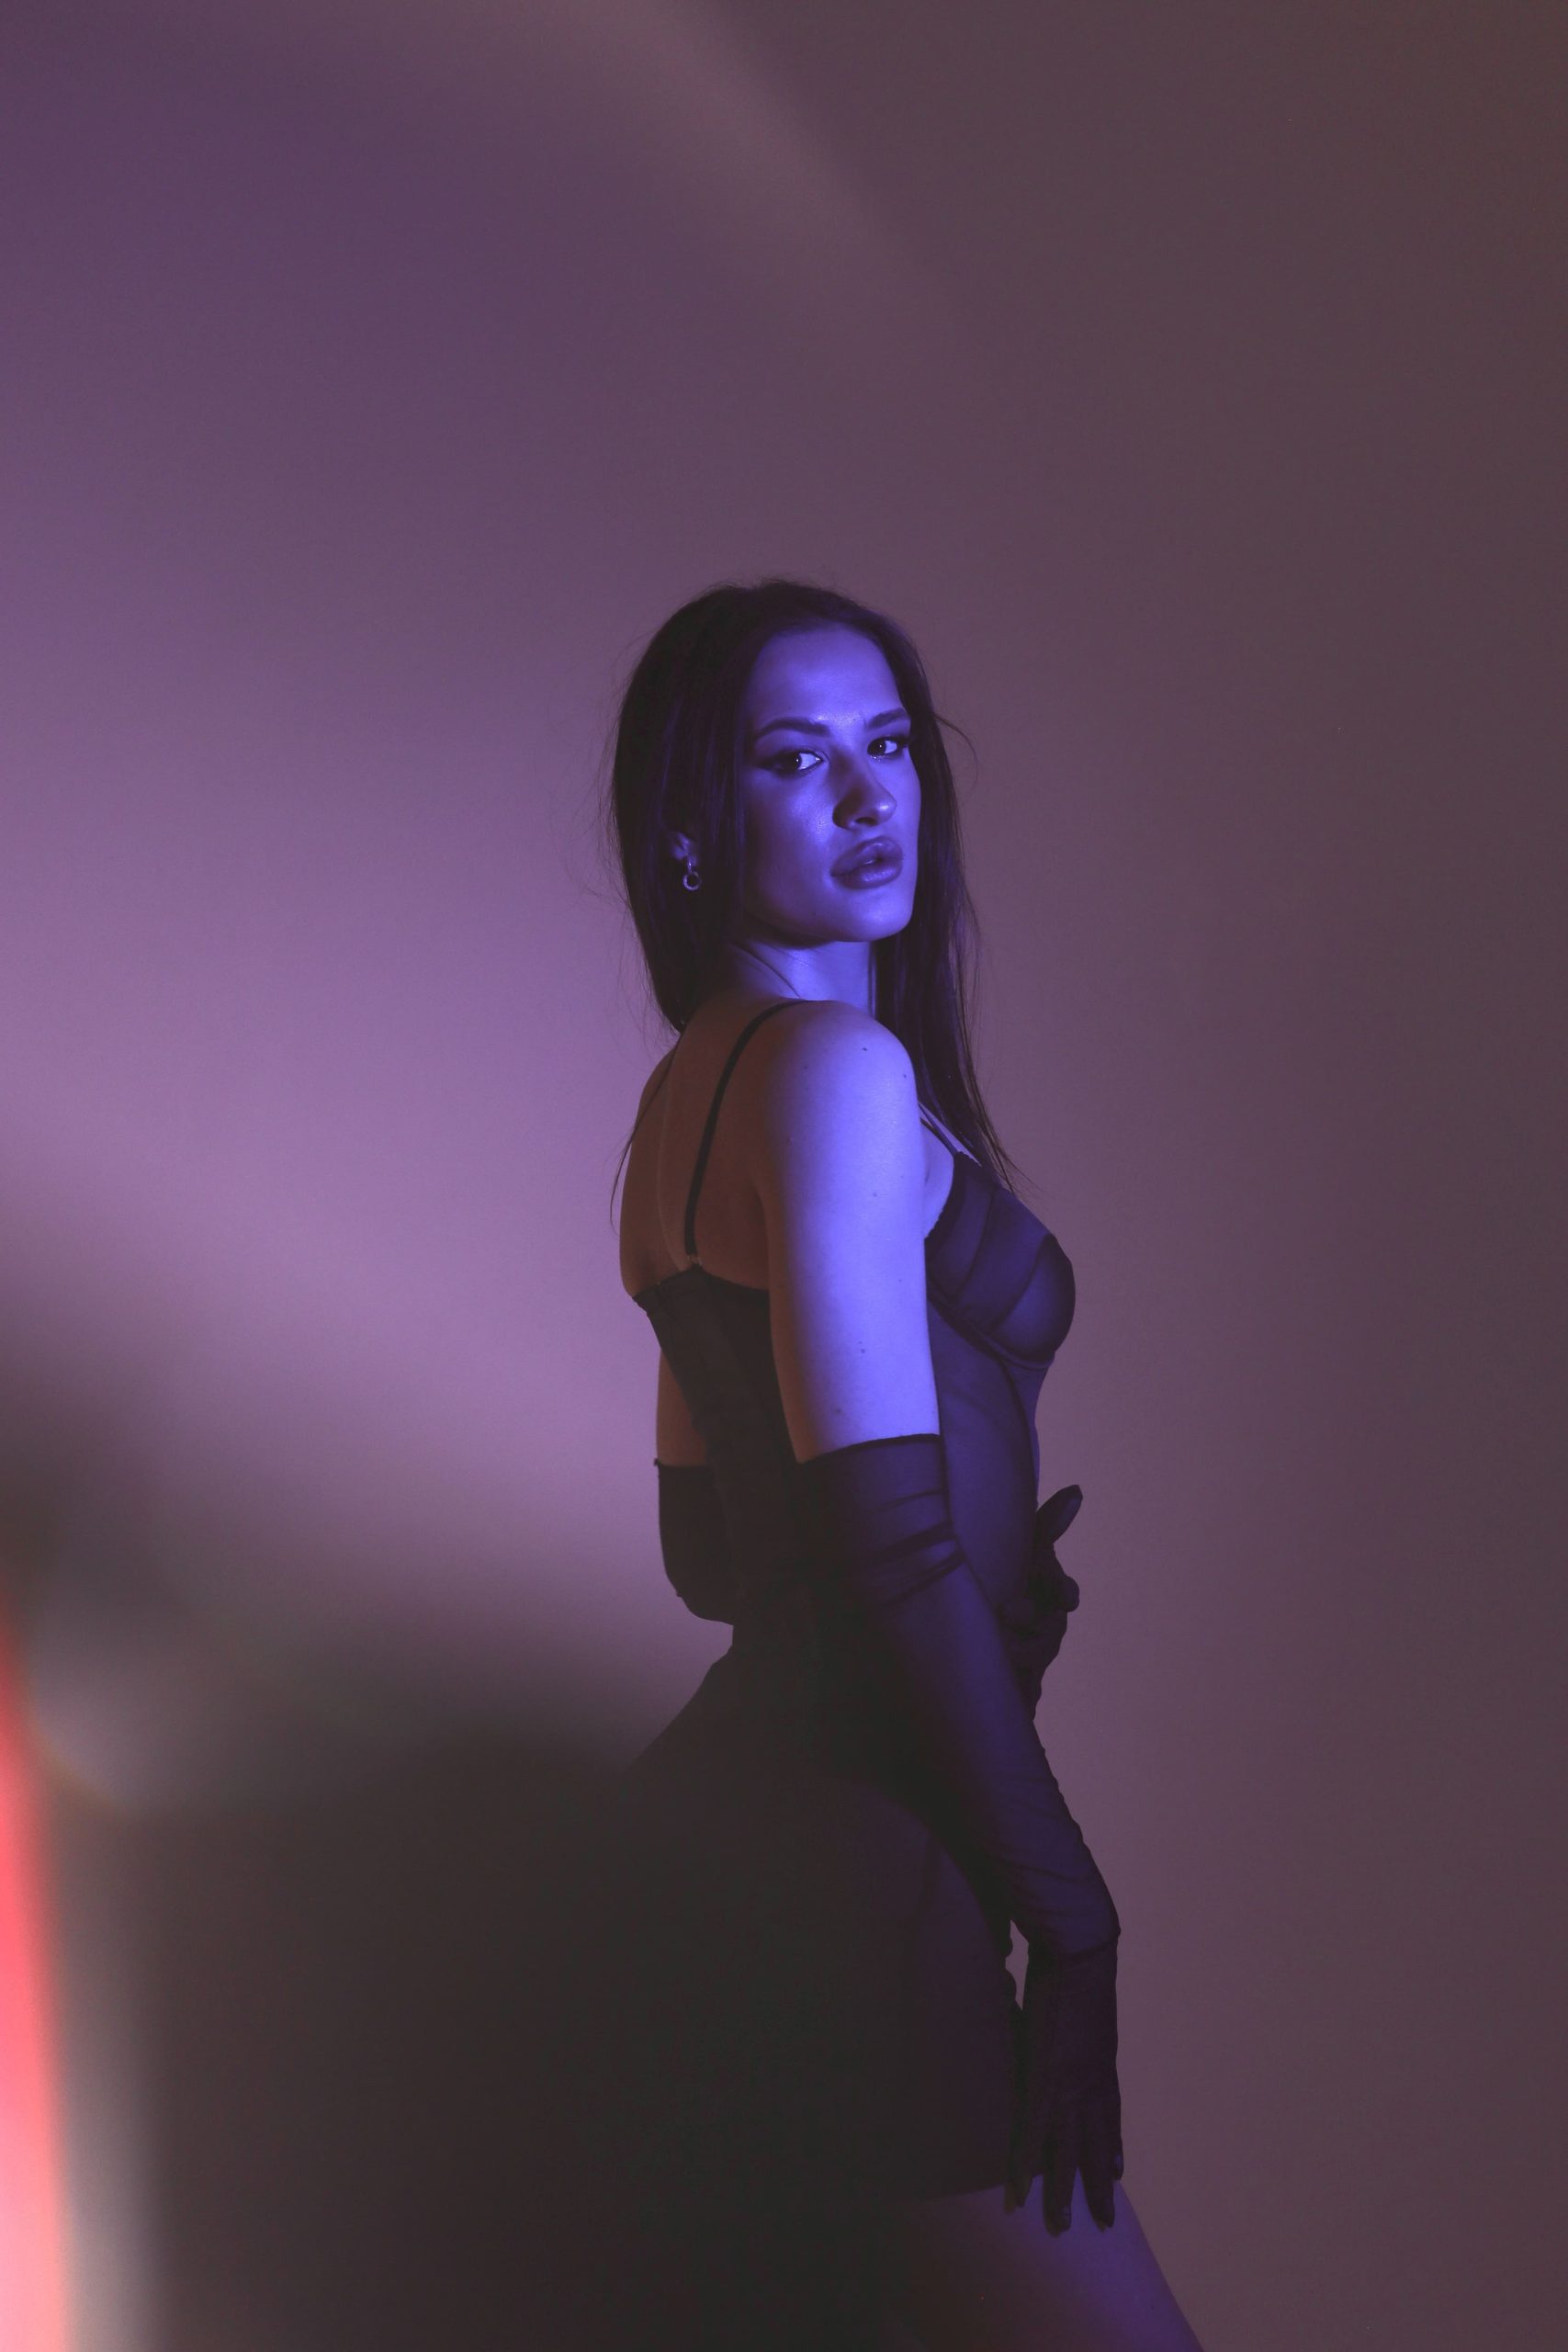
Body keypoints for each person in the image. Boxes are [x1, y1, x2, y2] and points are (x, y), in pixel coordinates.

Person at [604, 580, 1204, 2350]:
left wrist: (993, 1563)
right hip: (857, 1875)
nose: (870, 797)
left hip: (741, 1846)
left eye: (889, 746)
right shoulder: (836, 1074)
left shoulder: (688, 1094)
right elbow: (879, 1549)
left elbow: (711, 1558)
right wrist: (1076, 1925)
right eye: (796, 759)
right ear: (694, 826)